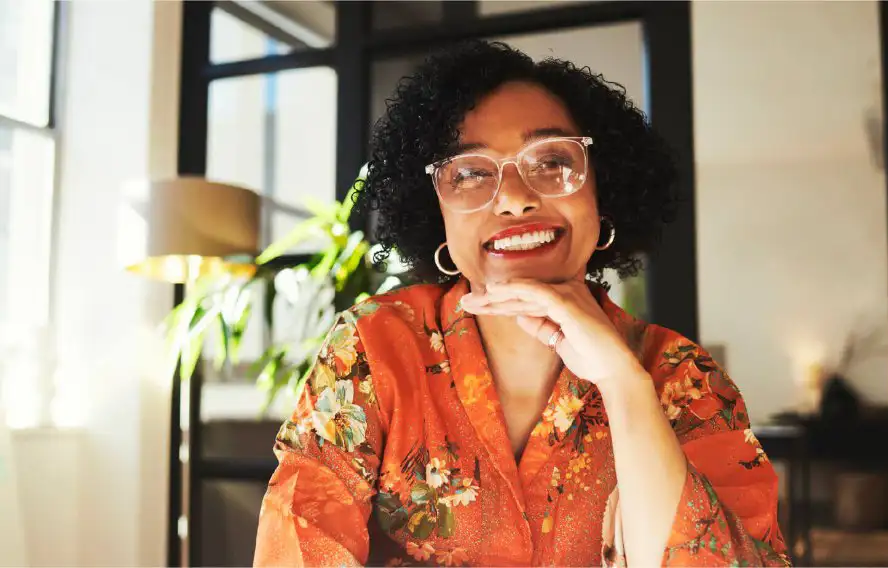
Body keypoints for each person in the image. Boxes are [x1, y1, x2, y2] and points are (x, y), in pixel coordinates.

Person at [253, 40, 789, 567]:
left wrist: (626, 387)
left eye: (552, 161)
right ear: (436, 211)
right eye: (470, 173)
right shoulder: (372, 350)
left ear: (602, 193)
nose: (514, 197)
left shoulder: (683, 380)